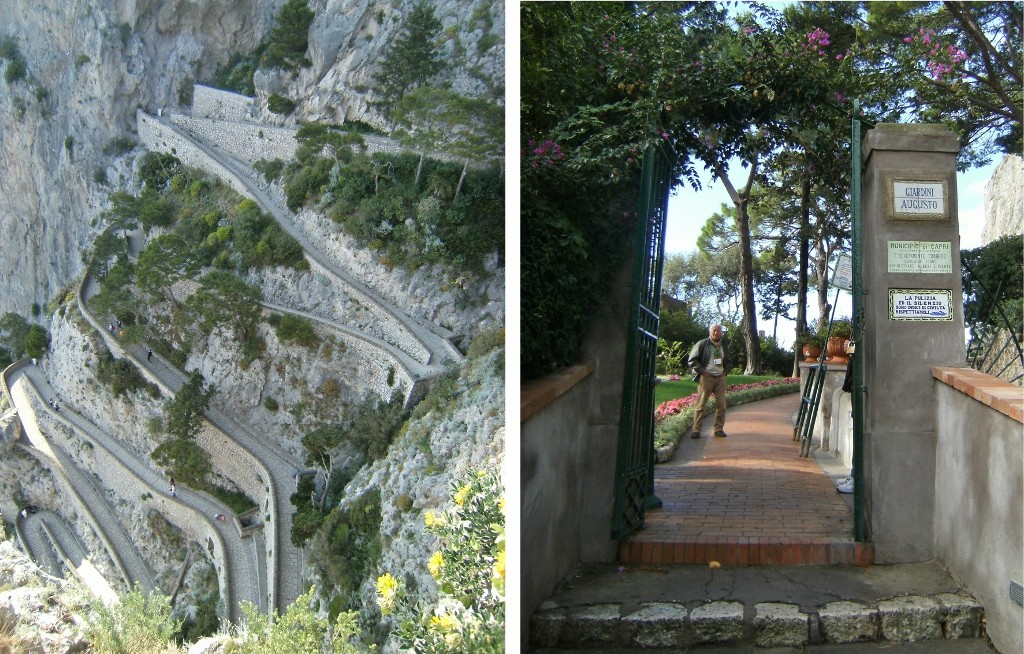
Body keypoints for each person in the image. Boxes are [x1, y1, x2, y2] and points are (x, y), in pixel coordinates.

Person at [687, 323, 729, 439]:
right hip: (707, 377)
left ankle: (719, 429)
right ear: (710, 332)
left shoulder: (724, 345)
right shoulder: (702, 344)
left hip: (720, 377)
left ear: (721, 333)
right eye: (714, 330)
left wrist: (725, 371)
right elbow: (692, 360)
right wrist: (702, 371)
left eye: (718, 331)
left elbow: (728, 360)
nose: (716, 333)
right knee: (701, 405)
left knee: (721, 405)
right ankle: (696, 430)